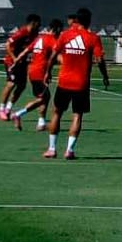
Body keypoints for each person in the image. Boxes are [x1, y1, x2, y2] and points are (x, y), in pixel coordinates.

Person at [45, 9, 109, 159]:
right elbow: (100, 60)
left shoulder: (65, 35)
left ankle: (52, 149)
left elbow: (53, 55)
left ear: (76, 20)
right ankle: (69, 150)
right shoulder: (93, 38)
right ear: (89, 21)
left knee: (56, 113)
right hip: (81, 84)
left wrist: (47, 72)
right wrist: (105, 76)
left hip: (64, 82)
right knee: (77, 116)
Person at [13, 17, 65, 130]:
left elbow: (26, 51)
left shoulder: (39, 38)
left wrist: (16, 61)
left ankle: (41, 123)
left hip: (32, 71)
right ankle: (18, 114)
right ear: (56, 29)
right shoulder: (51, 39)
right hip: (41, 73)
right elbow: (58, 56)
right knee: (43, 98)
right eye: (60, 31)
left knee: (44, 97)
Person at [0, 15, 42, 122]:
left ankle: (8, 108)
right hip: (11, 62)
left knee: (21, 86)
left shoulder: (35, 34)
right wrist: (14, 58)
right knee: (11, 83)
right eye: (38, 23)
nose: (40, 25)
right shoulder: (22, 32)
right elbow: (7, 44)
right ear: (33, 23)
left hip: (22, 63)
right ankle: (1, 109)